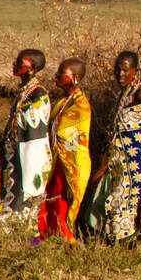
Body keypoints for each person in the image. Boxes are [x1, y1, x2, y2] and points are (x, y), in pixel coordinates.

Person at [84, 51, 141, 245]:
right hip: (119, 161)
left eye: (125, 70)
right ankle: (115, 249)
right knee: (109, 201)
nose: (120, 74)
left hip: (136, 164)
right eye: (117, 70)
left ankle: (127, 252)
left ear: (134, 71)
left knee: (122, 203)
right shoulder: (125, 94)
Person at [0, 49, 53, 234]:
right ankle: (9, 240)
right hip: (15, 154)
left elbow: (34, 131)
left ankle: (30, 243)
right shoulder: (23, 92)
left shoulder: (38, 94)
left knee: (25, 198)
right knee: (10, 197)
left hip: (29, 156)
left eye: (21, 62)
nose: (15, 64)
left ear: (32, 67)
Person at [40, 58, 91, 242]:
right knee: (47, 206)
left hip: (70, 166)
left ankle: (68, 252)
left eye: (62, 72)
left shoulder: (81, 105)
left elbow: (70, 140)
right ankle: (39, 245)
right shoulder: (63, 102)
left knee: (62, 209)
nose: (57, 75)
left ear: (75, 77)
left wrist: (72, 177)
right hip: (57, 163)